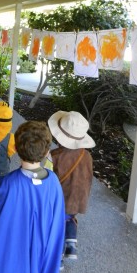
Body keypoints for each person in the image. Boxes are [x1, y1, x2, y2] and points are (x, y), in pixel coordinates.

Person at [0, 121, 65, 273]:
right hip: (43, 248)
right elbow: (57, 224)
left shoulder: (8, 184)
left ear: (16, 150)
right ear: (47, 152)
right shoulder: (54, 183)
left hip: (15, 249)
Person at [47, 111, 95, 261]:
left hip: (61, 200)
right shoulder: (86, 155)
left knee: (57, 225)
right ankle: (71, 244)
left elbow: (47, 180)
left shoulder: (54, 156)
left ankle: (58, 257)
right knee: (70, 218)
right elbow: (88, 177)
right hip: (79, 198)